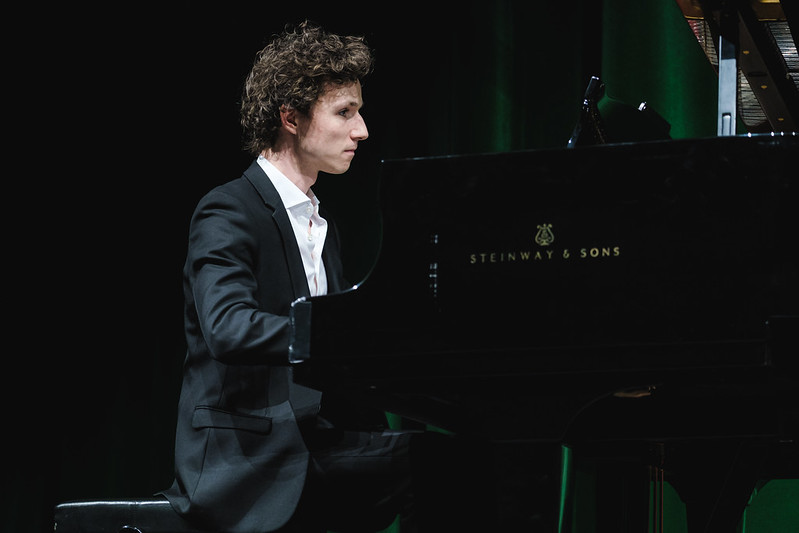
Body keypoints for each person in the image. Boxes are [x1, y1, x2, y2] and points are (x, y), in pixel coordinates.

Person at [161, 21, 492, 533]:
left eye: (359, 112)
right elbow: (228, 327)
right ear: (290, 117)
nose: (362, 130)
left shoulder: (321, 223)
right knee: (438, 465)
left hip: (315, 439)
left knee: (468, 454)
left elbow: (339, 362)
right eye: (344, 112)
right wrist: (344, 334)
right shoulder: (227, 209)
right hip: (245, 456)